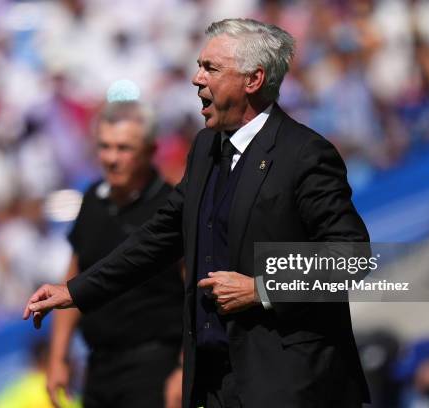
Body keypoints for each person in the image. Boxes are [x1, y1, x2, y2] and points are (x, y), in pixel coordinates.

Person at [25, 18, 370, 408]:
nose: (195, 78)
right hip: (214, 385)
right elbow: (156, 238)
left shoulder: (304, 154)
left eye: (210, 68)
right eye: (198, 65)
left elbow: (351, 258)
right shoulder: (206, 148)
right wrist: (75, 291)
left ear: (253, 80)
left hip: (290, 385)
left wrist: (261, 288)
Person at [46, 100, 185, 408]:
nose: (111, 158)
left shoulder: (173, 207)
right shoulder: (92, 200)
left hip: (155, 366)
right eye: (104, 147)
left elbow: (198, 296)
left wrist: (184, 367)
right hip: (99, 366)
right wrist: (58, 358)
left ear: (150, 151)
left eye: (124, 148)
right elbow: (73, 282)